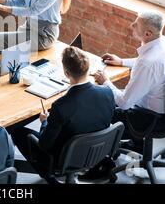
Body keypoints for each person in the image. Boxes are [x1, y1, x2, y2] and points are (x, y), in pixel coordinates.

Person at [10, 47, 115, 182]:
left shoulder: (61, 106)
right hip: (96, 153)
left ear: (66, 73)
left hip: (65, 159)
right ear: (88, 70)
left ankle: (50, 177)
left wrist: (44, 122)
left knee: (18, 131)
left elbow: (44, 144)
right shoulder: (107, 92)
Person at [94, 10, 165, 151]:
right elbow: (145, 64)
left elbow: (124, 103)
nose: (132, 25)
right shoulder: (164, 42)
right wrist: (121, 61)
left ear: (147, 34)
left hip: (148, 117)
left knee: (96, 108)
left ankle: (100, 154)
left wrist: (106, 82)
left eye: (136, 24)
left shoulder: (148, 63)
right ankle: (136, 144)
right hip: (164, 109)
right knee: (108, 96)